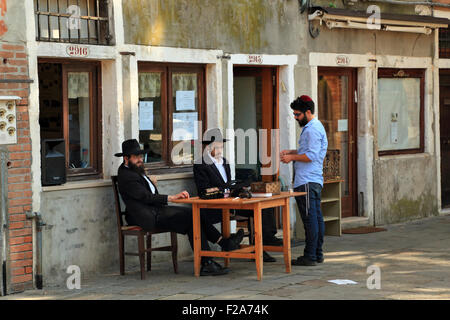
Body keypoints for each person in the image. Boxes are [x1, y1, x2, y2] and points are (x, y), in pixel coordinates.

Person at [115, 139, 244, 276]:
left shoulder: (135, 170)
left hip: (155, 210)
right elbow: (145, 197)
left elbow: (148, 193)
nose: (140, 159)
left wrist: (151, 184)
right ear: (126, 158)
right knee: (191, 217)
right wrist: (172, 197)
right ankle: (216, 252)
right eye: (136, 157)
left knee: (194, 215)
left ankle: (210, 260)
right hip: (145, 216)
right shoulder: (126, 175)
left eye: (141, 156)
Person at [193, 128, 283, 263]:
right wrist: (224, 190)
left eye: (221, 147)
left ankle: (263, 243)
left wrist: (239, 188)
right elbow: (204, 189)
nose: (220, 151)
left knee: (262, 205)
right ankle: (238, 244)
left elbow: (229, 183)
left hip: (232, 202)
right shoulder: (201, 164)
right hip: (214, 206)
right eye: (217, 148)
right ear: (208, 147)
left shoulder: (225, 162)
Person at [280, 95, 328, 266]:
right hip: (311, 179)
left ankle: (311, 255)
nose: (295, 117)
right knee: (315, 218)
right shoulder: (312, 127)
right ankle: (317, 253)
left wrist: (291, 157)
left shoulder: (312, 129)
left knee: (310, 219)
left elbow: (312, 155)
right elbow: (306, 150)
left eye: (298, 114)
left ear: (308, 112)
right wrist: (292, 152)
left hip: (308, 179)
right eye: (294, 114)